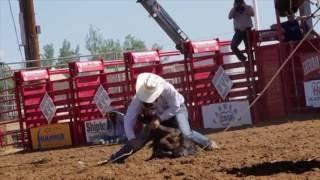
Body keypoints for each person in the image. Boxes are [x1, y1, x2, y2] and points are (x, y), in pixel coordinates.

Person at [99, 73, 218, 164]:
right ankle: (116, 158)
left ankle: (207, 143)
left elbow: (175, 106)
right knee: (141, 137)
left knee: (184, 130)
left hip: (177, 109)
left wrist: (159, 119)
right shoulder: (137, 99)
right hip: (159, 115)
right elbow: (129, 119)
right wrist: (132, 139)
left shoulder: (168, 89)